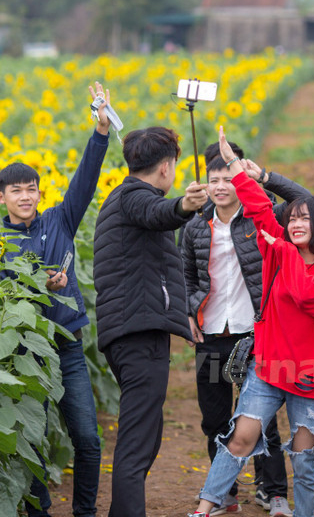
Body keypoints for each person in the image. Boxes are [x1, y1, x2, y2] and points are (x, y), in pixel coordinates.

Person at [188, 126, 314, 517]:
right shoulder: (277, 250)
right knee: (240, 438)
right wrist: (235, 167)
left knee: (305, 458)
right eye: (291, 220)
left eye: (304, 220)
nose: (294, 224)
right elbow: (261, 210)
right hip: (267, 364)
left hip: (310, 374)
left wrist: (284, 249)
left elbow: (305, 295)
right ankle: (206, 507)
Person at [0, 82, 111, 517]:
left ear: (39, 194)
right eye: (17, 191)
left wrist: (100, 132)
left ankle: (84, 513)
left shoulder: (60, 220)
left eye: (32, 189)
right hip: (25, 352)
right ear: (2, 197)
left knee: (87, 437)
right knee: (31, 438)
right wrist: (34, 286)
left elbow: (85, 179)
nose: (26, 196)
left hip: (66, 346)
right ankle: (39, 512)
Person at [183, 145, 309, 517]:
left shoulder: (261, 217)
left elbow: (305, 202)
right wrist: (189, 312)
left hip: (255, 333)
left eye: (227, 178)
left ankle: (273, 493)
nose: (220, 186)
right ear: (205, 184)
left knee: (259, 417)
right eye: (213, 180)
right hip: (210, 334)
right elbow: (185, 275)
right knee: (215, 418)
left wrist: (263, 177)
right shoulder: (194, 226)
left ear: (239, 181)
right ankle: (225, 494)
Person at [93, 126, 208, 517]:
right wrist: (183, 207)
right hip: (138, 335)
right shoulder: (135, 197)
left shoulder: (120, 197)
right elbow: (158, 214)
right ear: (166, 167)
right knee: (136, 444)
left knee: (146, 438)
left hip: (132, 331)